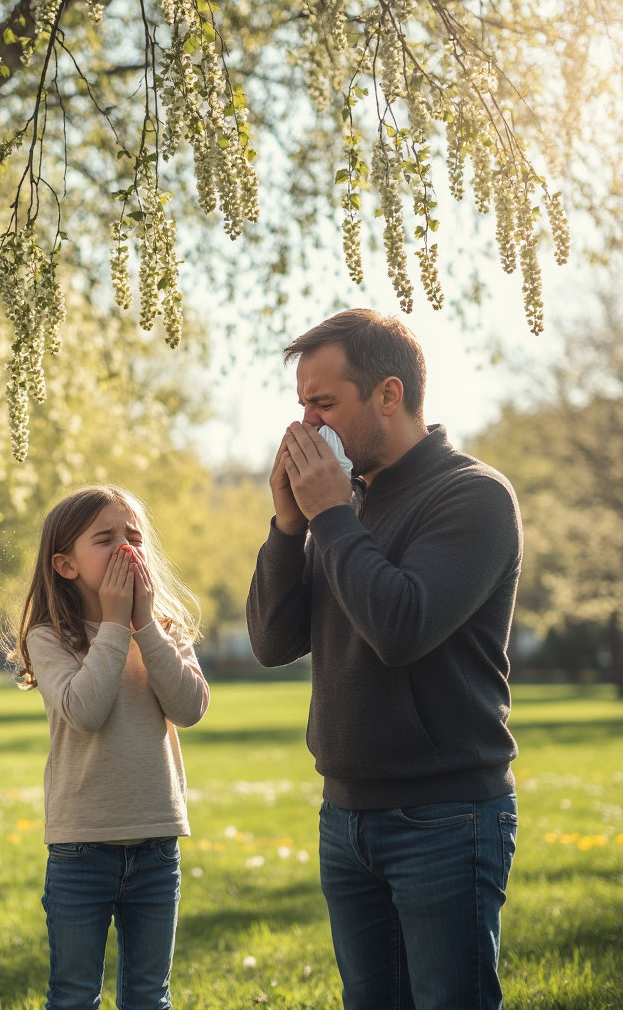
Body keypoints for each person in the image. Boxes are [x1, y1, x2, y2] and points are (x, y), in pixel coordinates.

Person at [246, 309, 522, 1010]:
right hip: (345, 817)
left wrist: (332, 517)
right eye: (302, 404)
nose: (305, 426)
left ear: (388, 396)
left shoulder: (473, 495)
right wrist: (287, 526)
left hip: (446, 818)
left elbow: (401, 626)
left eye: (324, 403)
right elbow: (273, 642)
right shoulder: (347, 501)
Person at [7, 485, 210, 1010]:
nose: (126, 548)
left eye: (134, 538)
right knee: (74, 994)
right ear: (66, 564)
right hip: (82, 846)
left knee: (148, 995)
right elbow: (85, 710)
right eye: (106, 538)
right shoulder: (50, 639)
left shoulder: (162, 631)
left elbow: (189, 708)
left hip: (156, 844)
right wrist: (116, 625)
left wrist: (142, 625)